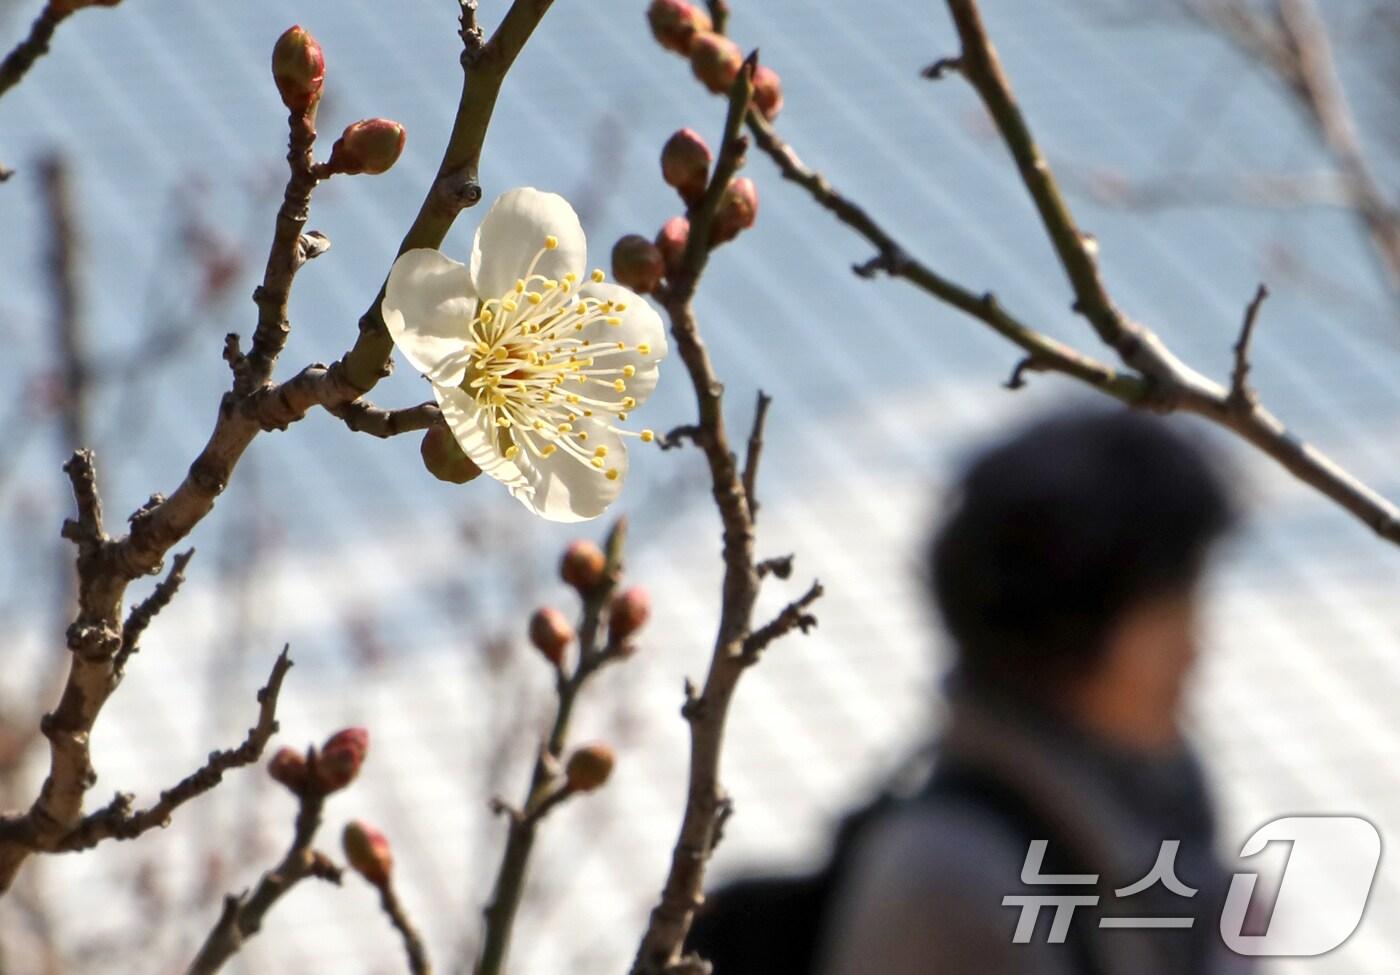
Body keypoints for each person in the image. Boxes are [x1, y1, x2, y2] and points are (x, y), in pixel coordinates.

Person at [812, 407, 1248, 974]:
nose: (1194, 649)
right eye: (1164, 615)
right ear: (1067, 629)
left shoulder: (1158, 795)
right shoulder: (953, 880)